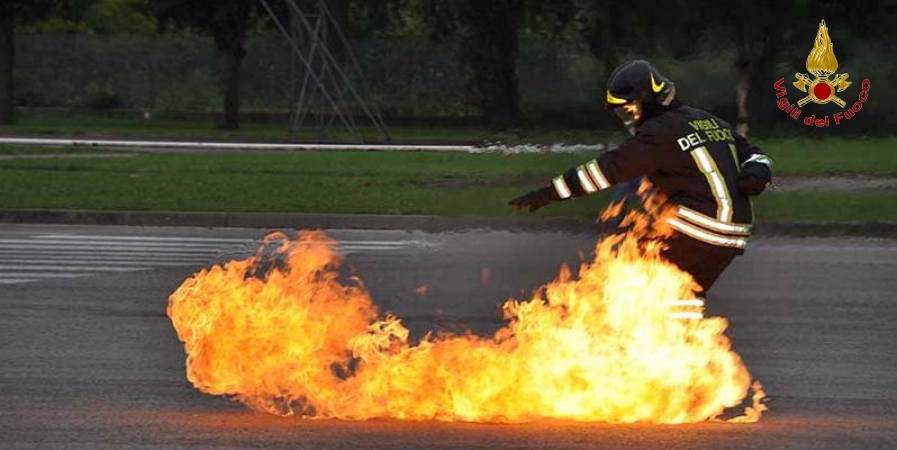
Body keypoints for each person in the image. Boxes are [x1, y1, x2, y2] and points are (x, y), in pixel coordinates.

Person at [509, 60, 772, 298]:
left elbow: (606, 171)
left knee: (643, 284)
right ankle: (682, 347)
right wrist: (758, 172)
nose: (629, 118)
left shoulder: (657, 133)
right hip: (734, 232)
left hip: (697, 226)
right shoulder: (709, 121)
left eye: (630, 110)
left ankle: (661, 347)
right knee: (681, 296)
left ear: (649, 98)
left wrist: (549, 193)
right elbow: (754, 153)